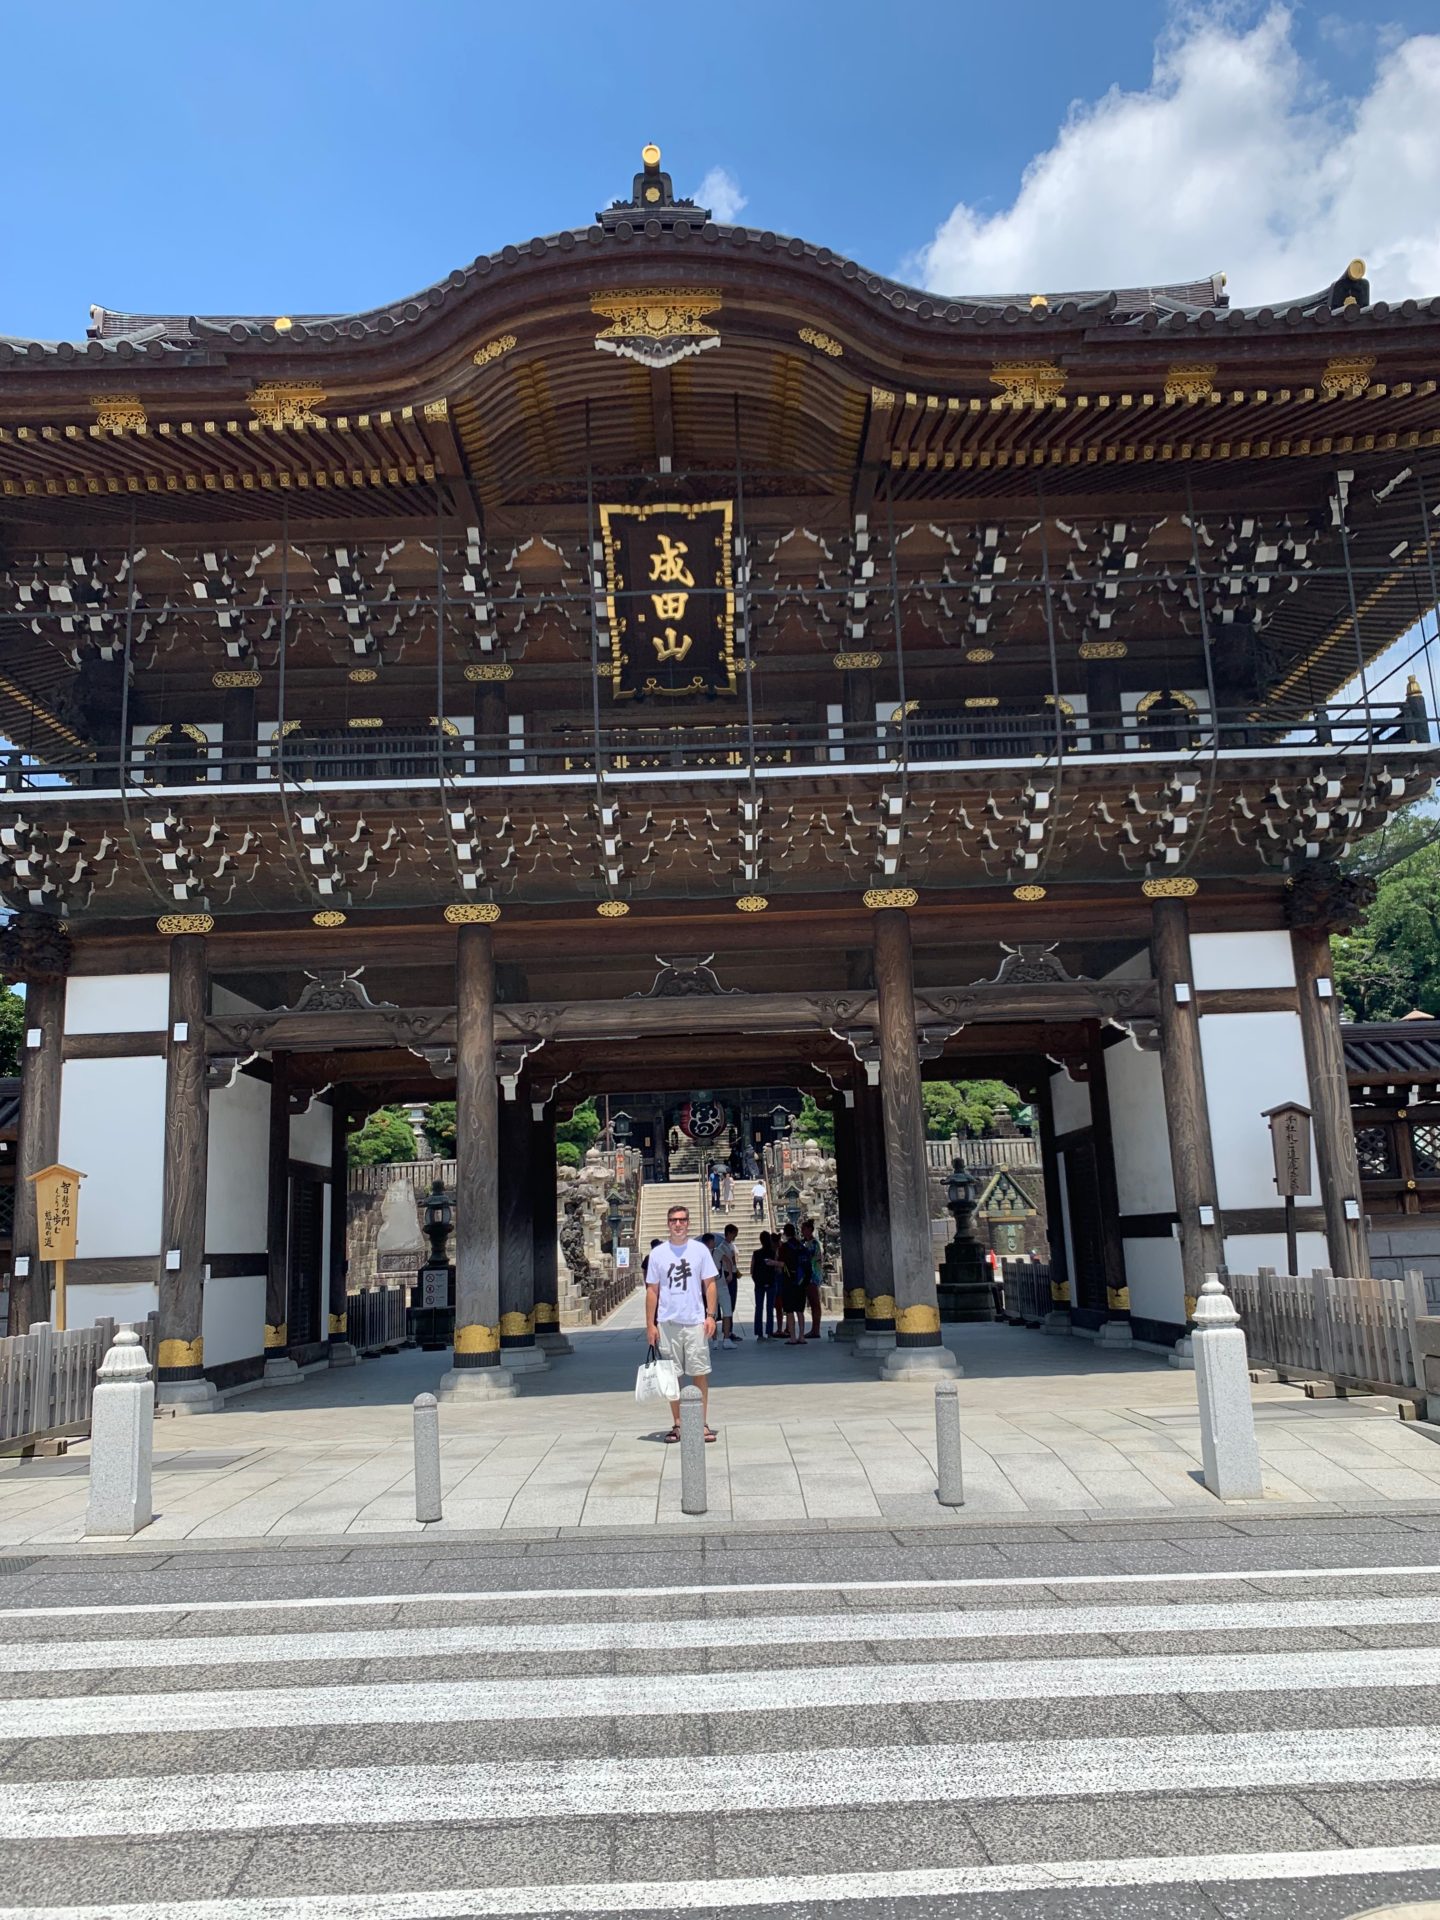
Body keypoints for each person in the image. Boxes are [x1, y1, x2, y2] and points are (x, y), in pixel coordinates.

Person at [645, 1202, 719, 1444]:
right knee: (671, 1376)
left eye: (682, 1220)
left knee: (700, 1373)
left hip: (695, 1320)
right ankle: (678, 1423)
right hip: (668, 1321)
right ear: (668, 1224)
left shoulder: (700, 1251)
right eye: (674, 1220)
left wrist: (710, 1315)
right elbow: (652, 1291)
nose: (678, 1224)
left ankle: (701, 1422)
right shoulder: (658, 1254)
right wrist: (650, 1324)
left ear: (688, 1223)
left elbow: (709, 1284)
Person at [778, 1223, 807, 1345]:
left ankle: (793, 1337)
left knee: (789, 1310)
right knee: (800, 1310)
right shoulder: (801, 1246)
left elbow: (782, 1264)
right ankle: (802, 1336)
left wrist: (772, 1263)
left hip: (789, 1281)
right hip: (801, 1282)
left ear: (785, 1233)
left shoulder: (784, 1247)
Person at [717, 1222, 742, 1346]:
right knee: (728, 1304)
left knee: (732, 1304)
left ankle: (729, 1329)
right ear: (729, 1233)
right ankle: (728, 1330)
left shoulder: (731, 1246)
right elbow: (726, 1262)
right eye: (733, 1234)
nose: (734, 1237)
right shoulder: (722, 1247)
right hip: (727, 1276)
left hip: (732, 1274)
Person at [751, 1231, 779, 1340]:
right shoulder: (773, 1253)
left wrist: (756, 1280)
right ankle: (770, 1332)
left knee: (759, 1308)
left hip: (759, 1283)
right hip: (771, 1282)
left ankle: (759, 1333)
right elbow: (777, 1268)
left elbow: (752, 1269)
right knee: (770, 1308)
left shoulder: (756, 1253)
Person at [799, 1217, 823, 1339]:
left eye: (803, 1229)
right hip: (807, 1275)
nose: (802, 1231)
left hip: (812, 1275)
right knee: (812, 1302)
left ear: (809, 1230)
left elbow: (811, 1258)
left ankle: (816, 1329)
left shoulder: (813, 1244)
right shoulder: (805, 1243)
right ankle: (814, 1328)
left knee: (814, 1302)